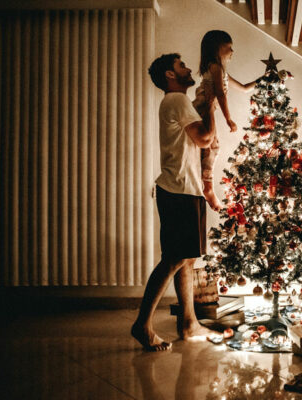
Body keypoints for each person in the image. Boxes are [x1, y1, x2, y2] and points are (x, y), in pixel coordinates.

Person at [131, 53, 218, 352]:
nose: (189, 68)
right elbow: (205, 138)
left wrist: (205, 105)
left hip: (184, 188)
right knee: (174, 258)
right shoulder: (176, 101)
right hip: (179, 189)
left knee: (186, 257)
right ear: (170, 74)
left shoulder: (177, 104)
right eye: (181, 66)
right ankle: (143, 324)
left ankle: (189, 322)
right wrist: (213, 107)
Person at [193, 30, 257, 211]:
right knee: (211, 147)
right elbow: (220, 94)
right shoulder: (215, 67)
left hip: (206, 111)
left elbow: (244, 88)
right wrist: (229, 119)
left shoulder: (221, 72)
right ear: (216, 49)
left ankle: (206, 186)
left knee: (210, 148)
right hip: (202, 110)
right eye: (228, 47)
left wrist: (263, 79)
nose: (232, 51)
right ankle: (208, 188)